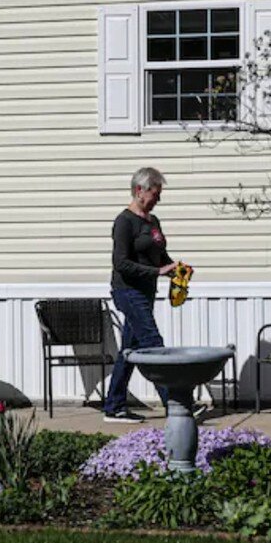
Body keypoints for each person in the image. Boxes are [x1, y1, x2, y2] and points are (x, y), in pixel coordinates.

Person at [103, 166, 185, 423]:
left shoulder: (153, 222)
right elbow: (121, 263)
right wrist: (158, 271)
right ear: (140, 190)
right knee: (152, 342)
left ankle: (114, 407)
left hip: (146, 292)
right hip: (127, 291)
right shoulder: (124, 222)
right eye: (155, 194)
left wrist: (175, 271)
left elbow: (160, 256)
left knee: (129, 349)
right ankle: (175, 403)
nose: (158, 199)